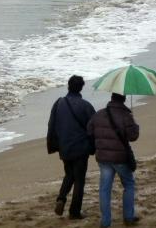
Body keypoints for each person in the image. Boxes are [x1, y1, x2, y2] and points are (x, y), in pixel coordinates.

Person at [47, 75, 96, 219]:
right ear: (81, 88)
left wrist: (54, 146)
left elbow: (51, 126)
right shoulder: (86, 106)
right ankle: (74, 212)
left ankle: (61, 198)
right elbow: (93, 128)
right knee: (79, 179)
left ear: (68, 86)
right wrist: (93, 147)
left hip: (64, 147)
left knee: (69, 174)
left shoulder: (58, 103)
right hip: (81, 148)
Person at [87, 93, 140, 227]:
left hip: (103, 157)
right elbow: (133, 136)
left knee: (105, 189)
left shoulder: (98, 114)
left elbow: (89, 130)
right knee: (128, 184)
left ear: (111, 98)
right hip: (120, 158)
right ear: (124, 99)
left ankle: (105, 222)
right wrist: (134, 123)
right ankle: (128, 217)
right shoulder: (126, 116)